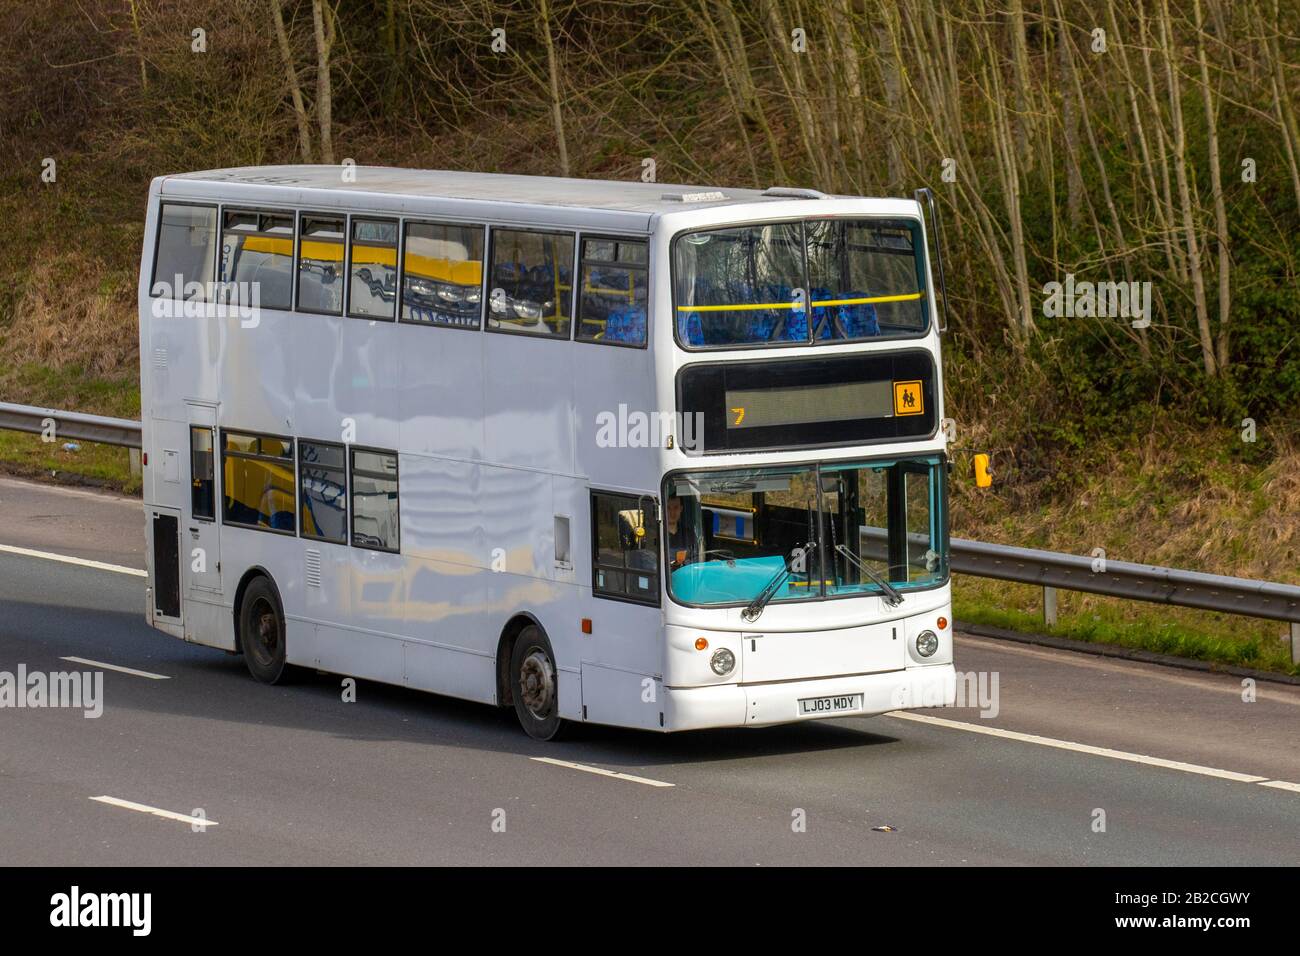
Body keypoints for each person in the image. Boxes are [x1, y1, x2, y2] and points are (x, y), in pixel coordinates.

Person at [664, 495, 697, 569]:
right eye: (668, 508)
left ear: (681, 509)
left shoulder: (689, 534)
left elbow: (696, 559)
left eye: (676, 507)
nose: (672, 512)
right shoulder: (655, 533)